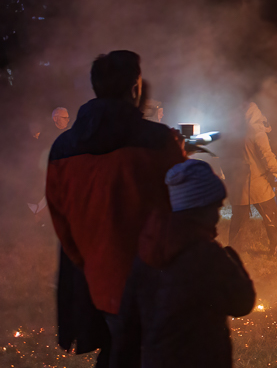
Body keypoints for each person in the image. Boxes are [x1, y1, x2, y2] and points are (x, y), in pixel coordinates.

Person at [45, 51, 186, 363]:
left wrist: (87, 261)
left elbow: (61, 220)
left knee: (116, 350)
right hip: (150, 276)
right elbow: (182, 205)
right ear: (135, 88)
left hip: (92, 279)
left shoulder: (62, 148)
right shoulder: (158, 141)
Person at [117, 159, 256, 368]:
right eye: (215, 208)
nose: (217, 217)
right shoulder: (206, 256)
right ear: (201, 210)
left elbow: (128, 321)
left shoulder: (149, 249)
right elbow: (242, 302)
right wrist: (231, 257)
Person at [226, 101, 277, 256]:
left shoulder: (235, 131)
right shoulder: (257, 131)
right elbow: (267, 156)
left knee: (238, 221)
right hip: (257, 182)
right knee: (271, 216)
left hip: (239, 182)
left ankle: (234, 253)